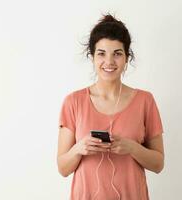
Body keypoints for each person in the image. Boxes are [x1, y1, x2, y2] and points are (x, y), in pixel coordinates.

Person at [57, 14, 165, 200]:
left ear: (126, 58)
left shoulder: (145, 101)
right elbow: (63, 168)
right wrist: (79, 148)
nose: (109, 61)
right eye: (101, 53)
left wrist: (132, 147)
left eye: (117, 53)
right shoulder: (73, 102)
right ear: (92, 57)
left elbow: (158, 164)